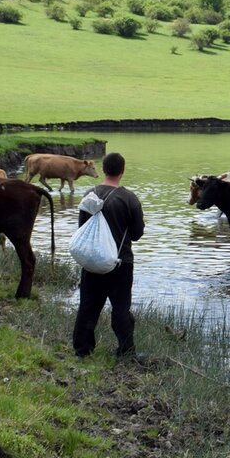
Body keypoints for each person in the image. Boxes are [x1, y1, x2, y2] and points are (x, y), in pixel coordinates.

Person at [72, 152, 146, 359]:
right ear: (122, 171)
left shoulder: (89, 194)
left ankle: (82, 351)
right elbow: (138, 233)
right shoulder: (129, 198)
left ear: (103, 170)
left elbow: (82, 228)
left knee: (88, 307)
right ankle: (125, 351)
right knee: (121, 309)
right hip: (120, 263)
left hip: (92, 262)